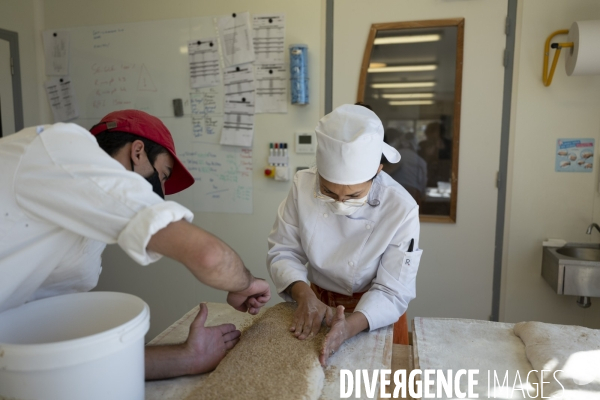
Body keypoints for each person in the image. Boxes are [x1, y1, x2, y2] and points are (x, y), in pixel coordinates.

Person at [0, 110, 270, 380]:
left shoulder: (86, 225)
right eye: (163, 176)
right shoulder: (59, 147)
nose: (161, 193)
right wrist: (245, 283)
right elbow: (208, 257)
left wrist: (189, 357)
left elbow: (55, 352)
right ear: (138, 152)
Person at [267, 104, 422, 366]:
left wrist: (349, 327)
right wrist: (305, 296)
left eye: (352, 196)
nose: (339, 204)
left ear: (378, 171)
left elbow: (394, 290)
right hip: (314, 302)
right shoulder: (302, 185)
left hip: (374, 314)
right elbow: (283, 251)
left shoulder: (400, 207)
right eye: (328, 193)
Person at [383, 129, 428, 205]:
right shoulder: (420, 161)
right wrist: (422, 195)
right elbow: (423, 181)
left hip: (393, 192)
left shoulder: (393, 156)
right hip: (413, 193)